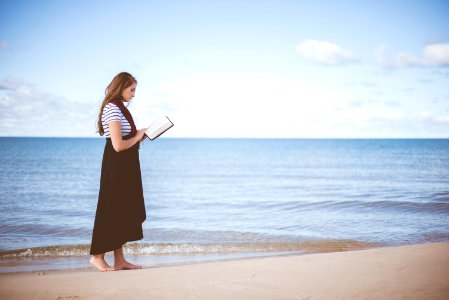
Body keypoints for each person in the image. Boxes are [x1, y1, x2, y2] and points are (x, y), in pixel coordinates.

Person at [89, 72, 148, 271]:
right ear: (121, 87)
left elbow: (124, 139)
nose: (133, 94)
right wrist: (138, 136)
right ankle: (97, 256)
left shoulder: (118, 109)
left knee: (121, 211)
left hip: (126, 166)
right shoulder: (112, 109)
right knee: (110, 209)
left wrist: (141, 134)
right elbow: (118, 145)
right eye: (131, 90)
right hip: (117, 165)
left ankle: (120, 260)